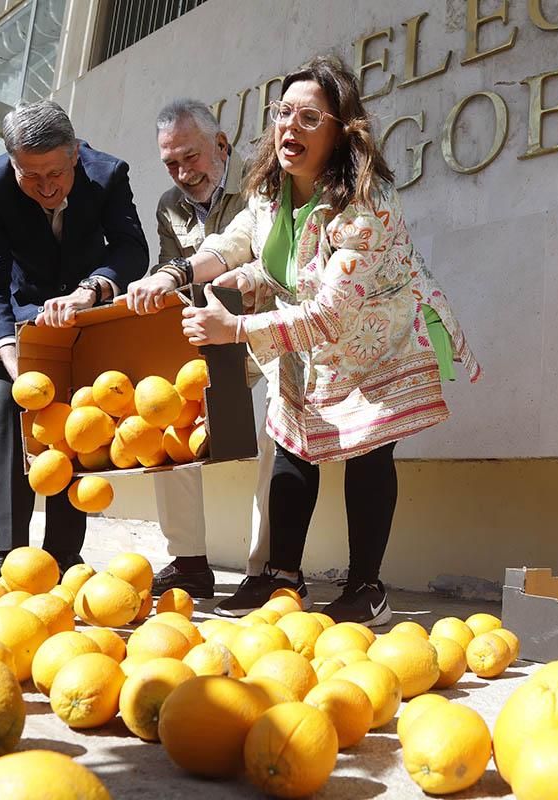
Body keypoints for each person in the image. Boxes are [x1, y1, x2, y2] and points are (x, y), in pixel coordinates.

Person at [180, 55, 480, 625]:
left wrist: (236, 329)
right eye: (284, 113)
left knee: (367, 451)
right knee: (294, 447)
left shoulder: (366, 204)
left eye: (310, 118)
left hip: (383, 338)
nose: (290, 127)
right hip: (310, 345)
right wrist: (187, 274)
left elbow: (331, 312)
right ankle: (280, 579)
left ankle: (367, 586)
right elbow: (244, 241)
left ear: (342, 132)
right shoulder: (271, 190)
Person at [0, 100, 148, 582]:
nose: (45, 186)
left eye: (55, 173)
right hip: (10, 301)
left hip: (79, 303)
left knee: (74, 416)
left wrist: (93, 288)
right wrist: (9, 355)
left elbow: (131, 248)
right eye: (29, 174)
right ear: (11, 163)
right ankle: (7, 551)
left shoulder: (108, 174)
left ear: (75, 154)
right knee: (5, 405)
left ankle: (63, 552)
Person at [123, 98, 275, 600]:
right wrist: (146, 289)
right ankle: (188, 561)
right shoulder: (169, 205)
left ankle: (266, 568)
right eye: (171, 163)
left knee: (280, 435)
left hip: (268, 327)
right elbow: (171, 273)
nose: (184, 173)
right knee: (167, 414)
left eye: (192, 157)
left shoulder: (263, 182)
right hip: (208, 335)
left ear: (222, 145)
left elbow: (256, 252)